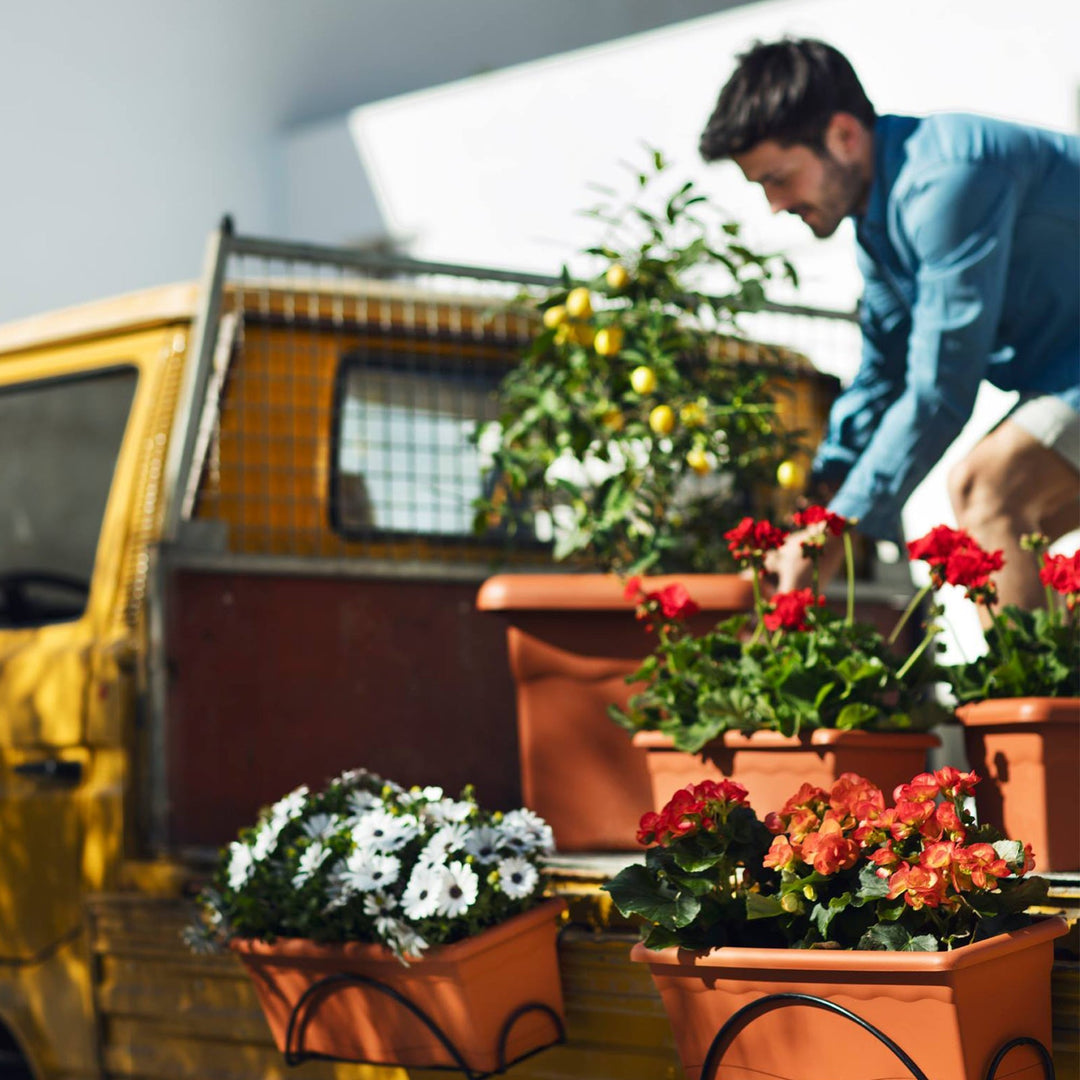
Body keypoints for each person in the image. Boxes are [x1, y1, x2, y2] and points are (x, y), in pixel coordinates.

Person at [699, 38, 1080, 613]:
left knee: (989, 491)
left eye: (779, 179)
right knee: (1018, 534)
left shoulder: (947, 182)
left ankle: (1022, 702)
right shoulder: (880, 229)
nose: (774, 205)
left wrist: (841, 527)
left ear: (844, 136)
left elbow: (939, 390)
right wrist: (823, 498)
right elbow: (884, 372)